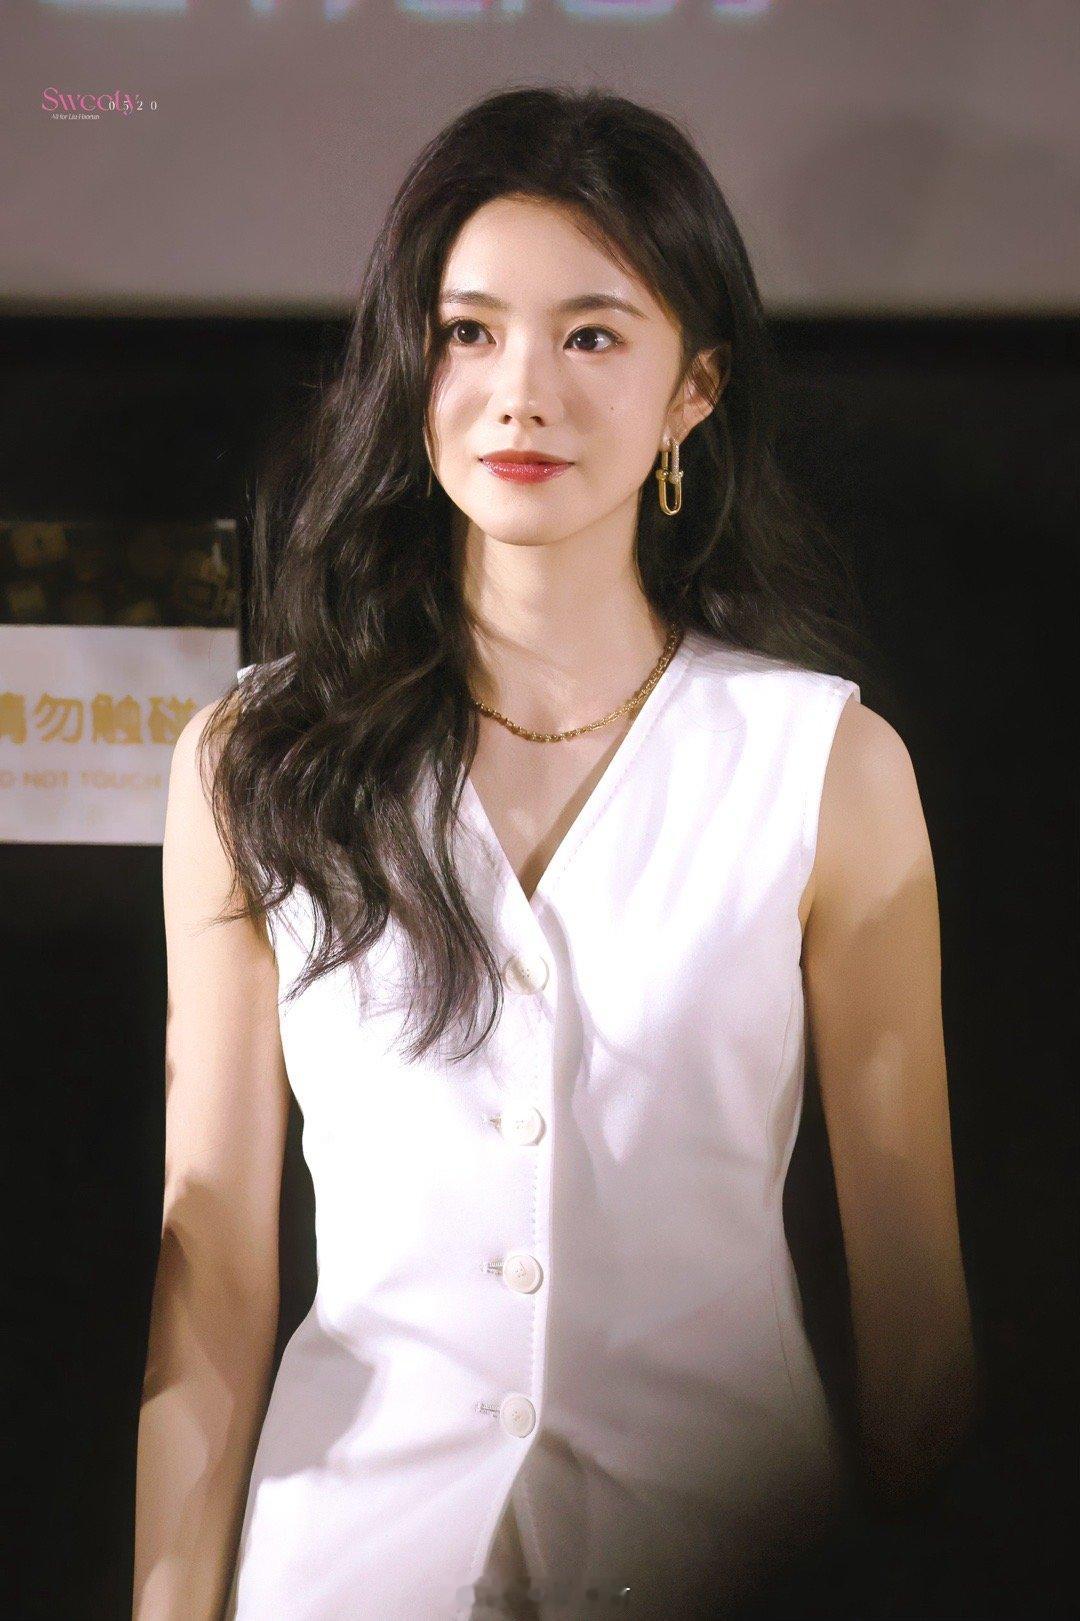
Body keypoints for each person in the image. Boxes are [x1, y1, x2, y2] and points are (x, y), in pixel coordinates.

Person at [133, 86, 982, 1621]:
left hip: (726, 1566)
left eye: (592, 336)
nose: (521, 392)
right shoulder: (254, 762)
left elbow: (918, 1331)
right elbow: (215, 1277)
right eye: (469, 332)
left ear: (694, 390)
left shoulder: (826, 768)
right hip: (352, 1571)